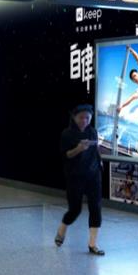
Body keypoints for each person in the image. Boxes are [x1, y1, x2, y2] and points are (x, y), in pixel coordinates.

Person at [55, 104, 106, 256]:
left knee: (96, 207)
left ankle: (93, 244)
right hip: (75, 176)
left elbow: (96, 149)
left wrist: (100, 161)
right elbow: (66, 155)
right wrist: (78, 149)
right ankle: (62, 228)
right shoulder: (67, 134)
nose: (84, 120)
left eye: (87, 118)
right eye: (81, 117)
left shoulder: (92, 131)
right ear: (74, 117)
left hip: (93, 175)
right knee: (75, 210)